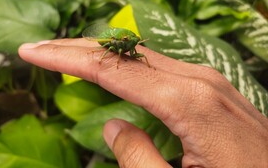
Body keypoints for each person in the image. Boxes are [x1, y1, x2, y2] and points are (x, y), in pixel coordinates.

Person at [18, 38, 268, 168]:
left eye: (133, 43)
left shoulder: (132, 48)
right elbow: (110, 47)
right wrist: (109, 54)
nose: (133, 46)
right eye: (131, 42)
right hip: (109, 42)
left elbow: (130, 51)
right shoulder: (116, 43)